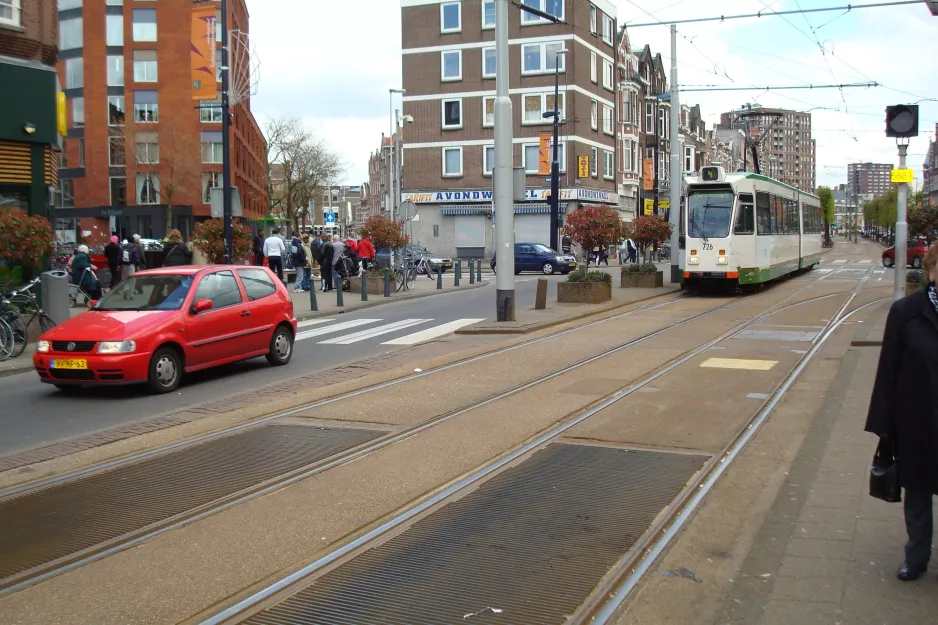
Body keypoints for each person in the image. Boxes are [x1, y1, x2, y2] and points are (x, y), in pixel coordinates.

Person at [865, 242, 938, 582]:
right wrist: (884, 427)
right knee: (918, 492)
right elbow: (887, 371)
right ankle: (917, 557)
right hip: (919, 419)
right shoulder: (906, 312)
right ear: (931, 272)